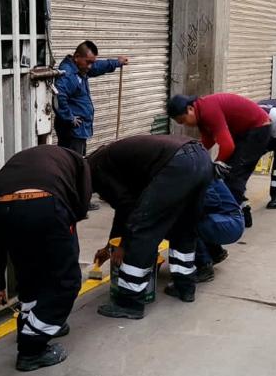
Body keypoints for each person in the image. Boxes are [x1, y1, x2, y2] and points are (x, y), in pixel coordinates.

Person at [0, 145, 92, 372]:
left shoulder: (31, 159)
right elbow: (80, 205)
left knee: (27, 267)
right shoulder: (80, 164)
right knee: (67, 281)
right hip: (44, 202)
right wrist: (69, 226)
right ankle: (32, 348)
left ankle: (30, 322)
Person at [89, 134, 213, 319]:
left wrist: (122, 245)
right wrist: (110, 246)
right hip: (201, 158)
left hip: (178, 163)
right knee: (183, 226)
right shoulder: (108, 159)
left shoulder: (96, 169)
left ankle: (130, 302)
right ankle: (185, 287)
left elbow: (127, 208)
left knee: (142, 229)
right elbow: (125, 205)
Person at [167, 93, 271, 227]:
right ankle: (242, 211)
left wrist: (217, 164)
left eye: (183, 120)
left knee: (233, 175)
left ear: (190, 109)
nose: (185, 125)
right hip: (244, 131)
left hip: (257, 129)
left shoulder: (208, 111)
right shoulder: (201, 113)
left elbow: (227, 146)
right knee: (229, 174)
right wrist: (193, 156)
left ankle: (234, 221)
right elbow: (208, 140)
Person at [54, 41, 129, 156]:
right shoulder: (69, 74)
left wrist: (117, 62)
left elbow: (98, 66)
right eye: (88, 62)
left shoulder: (80, 69)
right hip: (72, 134)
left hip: (78, 132)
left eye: (92, 62)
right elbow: (58, 96)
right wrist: (70, 118)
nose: (90, 66)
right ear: (77, 57)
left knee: (78, 163)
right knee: (73, 166)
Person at [194, 179, 246, 282]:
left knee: (183, 225)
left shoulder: (196, 171)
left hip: (230, 222)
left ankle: (204, 266)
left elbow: (212, 202)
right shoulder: (196, 166)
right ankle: (215, 252)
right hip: (228, 219)